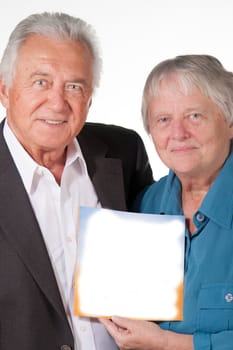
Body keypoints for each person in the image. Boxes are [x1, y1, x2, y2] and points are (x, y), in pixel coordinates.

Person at [0, 12, 154, 350]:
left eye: (74, 86)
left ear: (89, 98)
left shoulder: (125, 153)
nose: (57, 102)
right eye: (40, 82)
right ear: (5, 90)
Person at [101, 55, 233, 350]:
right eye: (163, 120)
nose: (178, 133)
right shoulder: (143, 205)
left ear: (230, 123)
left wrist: (167, 343)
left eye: (195, 116)